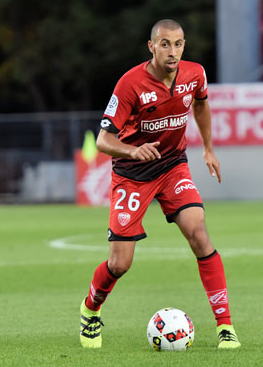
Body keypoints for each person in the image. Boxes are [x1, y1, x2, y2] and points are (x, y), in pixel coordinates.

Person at [79, 19, 240, 349]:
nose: (173, 51)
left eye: (178, 44)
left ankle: (225, 326)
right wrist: (133, 150)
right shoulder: (130, 84)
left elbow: (201, 103)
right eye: (165, 44)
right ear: (151, 46)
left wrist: (208, 148)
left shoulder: (195, 73)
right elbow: (103, 141)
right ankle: (90, 310)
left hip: (172, 167)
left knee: (198, 230)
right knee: (120, 263)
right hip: (131, 174)